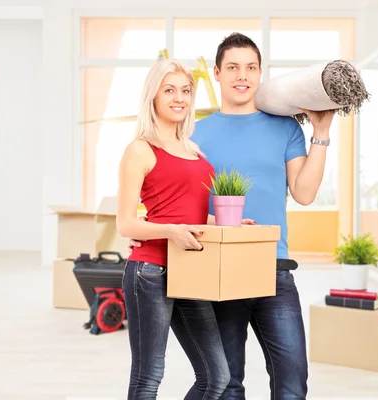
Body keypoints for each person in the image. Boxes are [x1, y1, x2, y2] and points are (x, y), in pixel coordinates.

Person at [130, 33, 334, 400]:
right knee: (227, 384)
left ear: (260, 73)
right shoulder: (192, 132)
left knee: (292, 380)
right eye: (233, 67)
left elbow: (304, 193)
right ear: (217, 74)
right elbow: (162, 184)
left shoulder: (286, 127)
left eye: (251, 67)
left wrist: (321, 132)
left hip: (275, 267)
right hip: (218, 268)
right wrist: (144, 227)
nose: (243, 75)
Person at [116, 58, 230, 400]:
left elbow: (186, 215)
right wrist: (171, 232)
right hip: (149, 271)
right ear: (153, 96)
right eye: (169, 90)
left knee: (216, 377)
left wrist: (223, 223)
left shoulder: (195, 152)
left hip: (190, 269)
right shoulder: (140, 149)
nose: (179, 98)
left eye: (185, 91)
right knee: (149, 376)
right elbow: (125, 224)